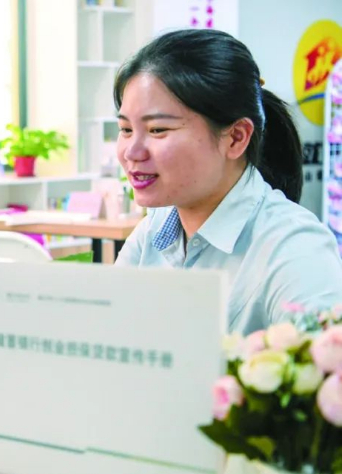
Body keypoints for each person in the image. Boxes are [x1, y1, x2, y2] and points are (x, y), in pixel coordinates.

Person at [113, 29, 342, 335]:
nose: (131, 152)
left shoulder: (295, 247)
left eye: (157, 130)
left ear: (235, 138)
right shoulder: (153, 230)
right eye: (126, 130)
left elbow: (323, 359)